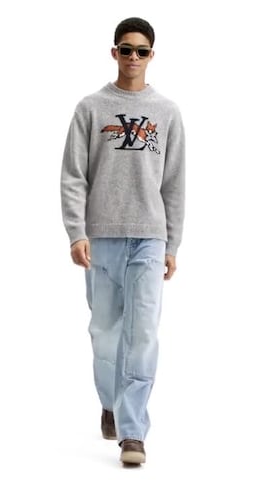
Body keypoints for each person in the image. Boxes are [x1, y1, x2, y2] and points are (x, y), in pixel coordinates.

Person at [60, 16, 185, 465]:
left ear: (152, 55)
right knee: (105, 333)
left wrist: (172, 244)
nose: (134, 57)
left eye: (142, 50)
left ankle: (133, 432)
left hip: (149, 238)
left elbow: (174, 182)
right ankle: (110, 403)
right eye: (126, 49)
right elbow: (74, 175)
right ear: (114, 52)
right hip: (102, 239)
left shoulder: (167, 113)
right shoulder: (90, 108)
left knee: (143, 333)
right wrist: (76, 232)